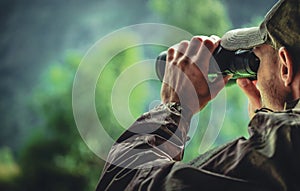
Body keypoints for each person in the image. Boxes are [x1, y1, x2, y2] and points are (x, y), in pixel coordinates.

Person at [96, 0, 300, 190]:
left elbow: (123, 182)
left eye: (258, 60)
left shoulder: (287, 142)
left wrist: (174, 106)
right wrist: (275, 113)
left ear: (285, 67)